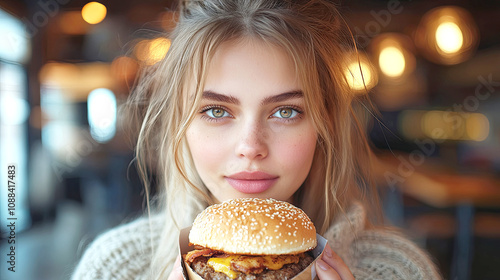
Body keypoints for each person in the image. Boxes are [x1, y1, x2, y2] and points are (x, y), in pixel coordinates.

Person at [72, 0, 442, 279]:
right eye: (216, 111)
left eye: (286, 111)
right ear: (179, 125)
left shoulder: (398, 269)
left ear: (324, 126)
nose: (251, 146)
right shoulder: (115, 266)